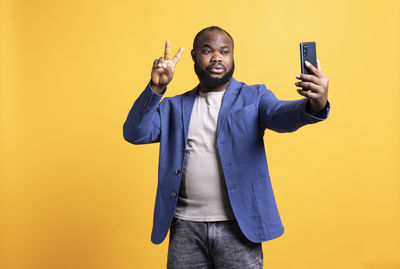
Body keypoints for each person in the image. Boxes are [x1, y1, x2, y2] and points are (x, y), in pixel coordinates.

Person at [123, 26, 330, 269]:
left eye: (225, 51)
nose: (217, 57)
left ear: (233, 56)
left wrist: (315, 105)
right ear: (194, 56)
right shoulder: (173, 107)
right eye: (207, 51)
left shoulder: (255, 97)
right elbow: (135, 133)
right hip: (185, 228)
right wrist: (156, 88)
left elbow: (281, 115)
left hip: (239, 228)